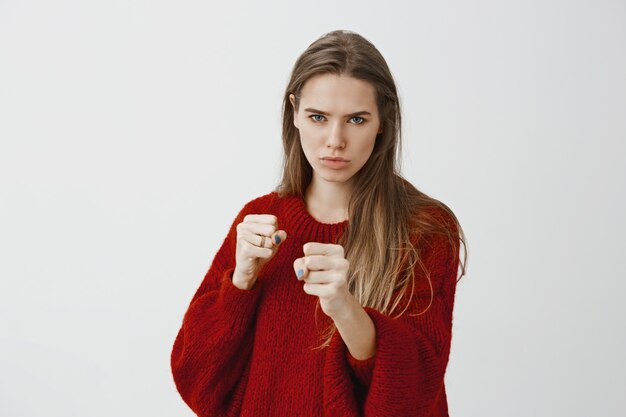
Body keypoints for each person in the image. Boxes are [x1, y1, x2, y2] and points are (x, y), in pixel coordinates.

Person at [170, 29, 467, 417]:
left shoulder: (424, 229)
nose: (334, 140)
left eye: (356, 119)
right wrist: (239, 285)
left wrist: (345, 309)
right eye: (317, 117)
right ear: (294, 112)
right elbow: (195, 378)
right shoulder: (258, 219)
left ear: (383, 121)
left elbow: (414, 396)